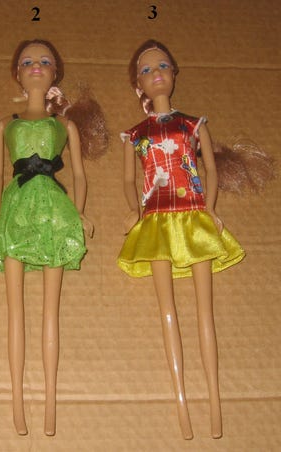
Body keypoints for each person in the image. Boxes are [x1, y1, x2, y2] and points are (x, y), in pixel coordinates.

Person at [117, 39, 245, 439]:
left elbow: (210, 169)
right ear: (138, 84)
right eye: (147, 70)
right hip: (155, 217)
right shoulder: (135, 134)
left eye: (163, 66)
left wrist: (210, 206)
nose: (156, 74)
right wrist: (134, 209)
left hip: (192, 213)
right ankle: (182, 402)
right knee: (167, 311)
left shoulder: (193, 124)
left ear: (173, 73)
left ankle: (215, 401)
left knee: (205, 311)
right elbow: (128, 180)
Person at [0, 38, 107, 436]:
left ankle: (51, 401)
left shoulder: (64, 125)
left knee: (50, 310)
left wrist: (79, 212)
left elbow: (80, 175)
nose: (35, 66)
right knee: (15, 310)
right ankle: (18, 402)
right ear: (17, 74)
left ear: (55, 73)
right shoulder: (6, 125)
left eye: (44, 61)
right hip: (16, 206)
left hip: (54, 208)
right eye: (27, 62)